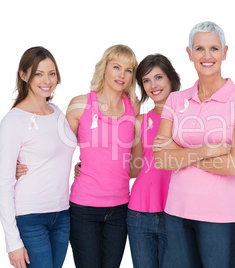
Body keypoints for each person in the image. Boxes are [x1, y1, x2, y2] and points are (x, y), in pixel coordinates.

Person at [153, 21, 235, 268]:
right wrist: (207, 150)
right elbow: (161, 159)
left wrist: (180, 153)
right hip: (177, 213)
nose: (207, 55)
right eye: (199, 49)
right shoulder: (175, 98)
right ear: (190, 54)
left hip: (221, 216)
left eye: (214, 48)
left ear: (224, 52)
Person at [0, 46, 76, 268]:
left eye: (51, 73)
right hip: (30, 217)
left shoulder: (57, 111)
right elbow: (2, 183)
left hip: (62, 214)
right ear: (23, 75)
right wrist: (12, 242)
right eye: (38, 73)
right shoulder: (13, 121)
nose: (47, 80)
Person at [65, 44, 139, 268]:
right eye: (116, 66)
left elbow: (134, 164)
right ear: (104, 68)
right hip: (83, 208)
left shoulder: (133, 107)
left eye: (128, 69)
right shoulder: (80, 104)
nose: (122, 74)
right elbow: (56, 152)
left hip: (120, 209)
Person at [126, 53, 180, 267]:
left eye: (158, 77)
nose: (153, 85)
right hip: (140, 213)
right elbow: (134, 169)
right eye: (146, 80)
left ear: (170, 78)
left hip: (176, 213)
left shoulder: (188, 118)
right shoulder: (141, 121)